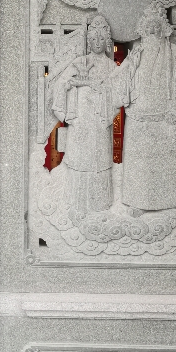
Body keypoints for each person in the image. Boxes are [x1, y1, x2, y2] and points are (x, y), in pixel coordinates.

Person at [119, 3, 176, 212]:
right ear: (142, 30)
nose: (152, 30)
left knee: (168, 164)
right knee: (141, 166)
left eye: (156, 26)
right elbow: (119, 82)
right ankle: (138, 203)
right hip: (139, 119)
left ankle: (172, 204)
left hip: (167, 119)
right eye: (148, 27)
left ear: (164, 29)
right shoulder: (136, 54)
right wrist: (129, 70)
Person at [52, 14, 119, 219]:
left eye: (101, 38)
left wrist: (103, 97)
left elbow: (118, 95)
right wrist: (70, 86)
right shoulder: (79, 62)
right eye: (94, 38)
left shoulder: (112, 67)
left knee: (100, 161)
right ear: (88, 41)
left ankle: (101, 204)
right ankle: (76, 202)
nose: (97, 42)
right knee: (79, 160)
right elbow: (60, 84)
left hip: (100, 120)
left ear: (107, 41)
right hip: (80, 119)